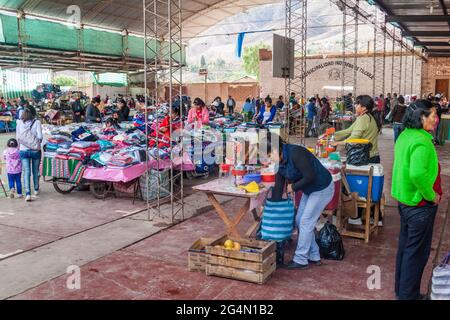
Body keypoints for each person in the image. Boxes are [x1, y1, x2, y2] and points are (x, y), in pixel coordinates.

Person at [392, 99, 441, 300]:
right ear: (421, 117)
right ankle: (408, 296)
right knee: (417, 253)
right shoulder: (422, 141)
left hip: (405, 202)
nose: (436, 119)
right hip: (419, 205)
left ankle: (402, 291)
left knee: (406, 248)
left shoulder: (405, 135)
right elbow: (417, 174)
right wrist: (431, 195)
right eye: (433, 115)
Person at [267, 133, 335, 269]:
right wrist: (272, 210)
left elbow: (310, 175)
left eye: (269, 155)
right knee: (299, 220)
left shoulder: (296, 153)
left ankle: (301, 259)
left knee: (305, 222)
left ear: (276, 150)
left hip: (322, 187)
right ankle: (314, 255)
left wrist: (294, 186)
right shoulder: (278, 163)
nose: (268, 159)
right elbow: (279, 187)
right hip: (309, 190)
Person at [332, 95, 381, 163]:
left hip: (368, 157)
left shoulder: (363, 119)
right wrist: (332, 135)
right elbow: (348, 131)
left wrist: (337, 143)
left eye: (357, 104)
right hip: (370, 156)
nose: (355, 106)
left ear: (364, 108)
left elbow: (353, 139)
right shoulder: (365, 116)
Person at [16, 109, 42, 202]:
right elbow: (40, 137)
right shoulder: (37, 122)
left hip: (23, 150)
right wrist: (34, 142)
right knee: (35, 171)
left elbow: (17, 137)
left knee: (26, 172)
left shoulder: (19, 123)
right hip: (35, 150)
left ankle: (28, 194)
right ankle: (36, 189)